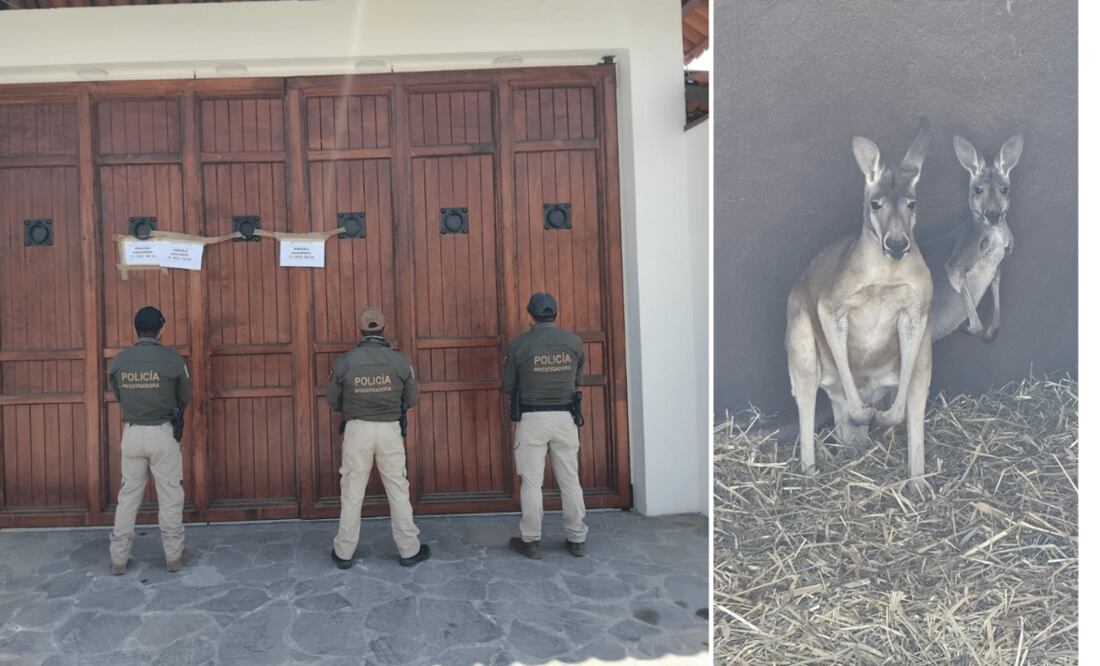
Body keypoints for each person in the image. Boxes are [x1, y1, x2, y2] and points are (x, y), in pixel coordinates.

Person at [326, 306, 429, 569]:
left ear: (360, 330)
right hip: (389, 430)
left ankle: (344, 552)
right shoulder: (399, 360)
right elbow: (413, 398)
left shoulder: (345, 361)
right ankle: (408, 550)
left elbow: (333, 401)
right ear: (384, 329)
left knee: (352, 492)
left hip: (357, 430)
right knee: (397, 489)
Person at [503, 292, 588, 559]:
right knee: (570, 480)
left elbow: (507, 385)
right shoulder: (573, 342)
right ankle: (576, 539)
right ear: (556, 313)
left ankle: (531, 540)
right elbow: (579, 380)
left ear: (531, 315)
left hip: (532, 419)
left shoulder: (520, 345)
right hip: (565, 418)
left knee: (531, 483)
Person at [108, 306, 191, 575]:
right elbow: (184, 397)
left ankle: (118, 558)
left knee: (128, 497)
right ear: (161, 329)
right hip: (162, 434)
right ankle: (173, 556)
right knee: (170, 496)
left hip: (132, 433)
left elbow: (118, 394)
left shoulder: (120, 361)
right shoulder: (172, 359)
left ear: (136, 328)